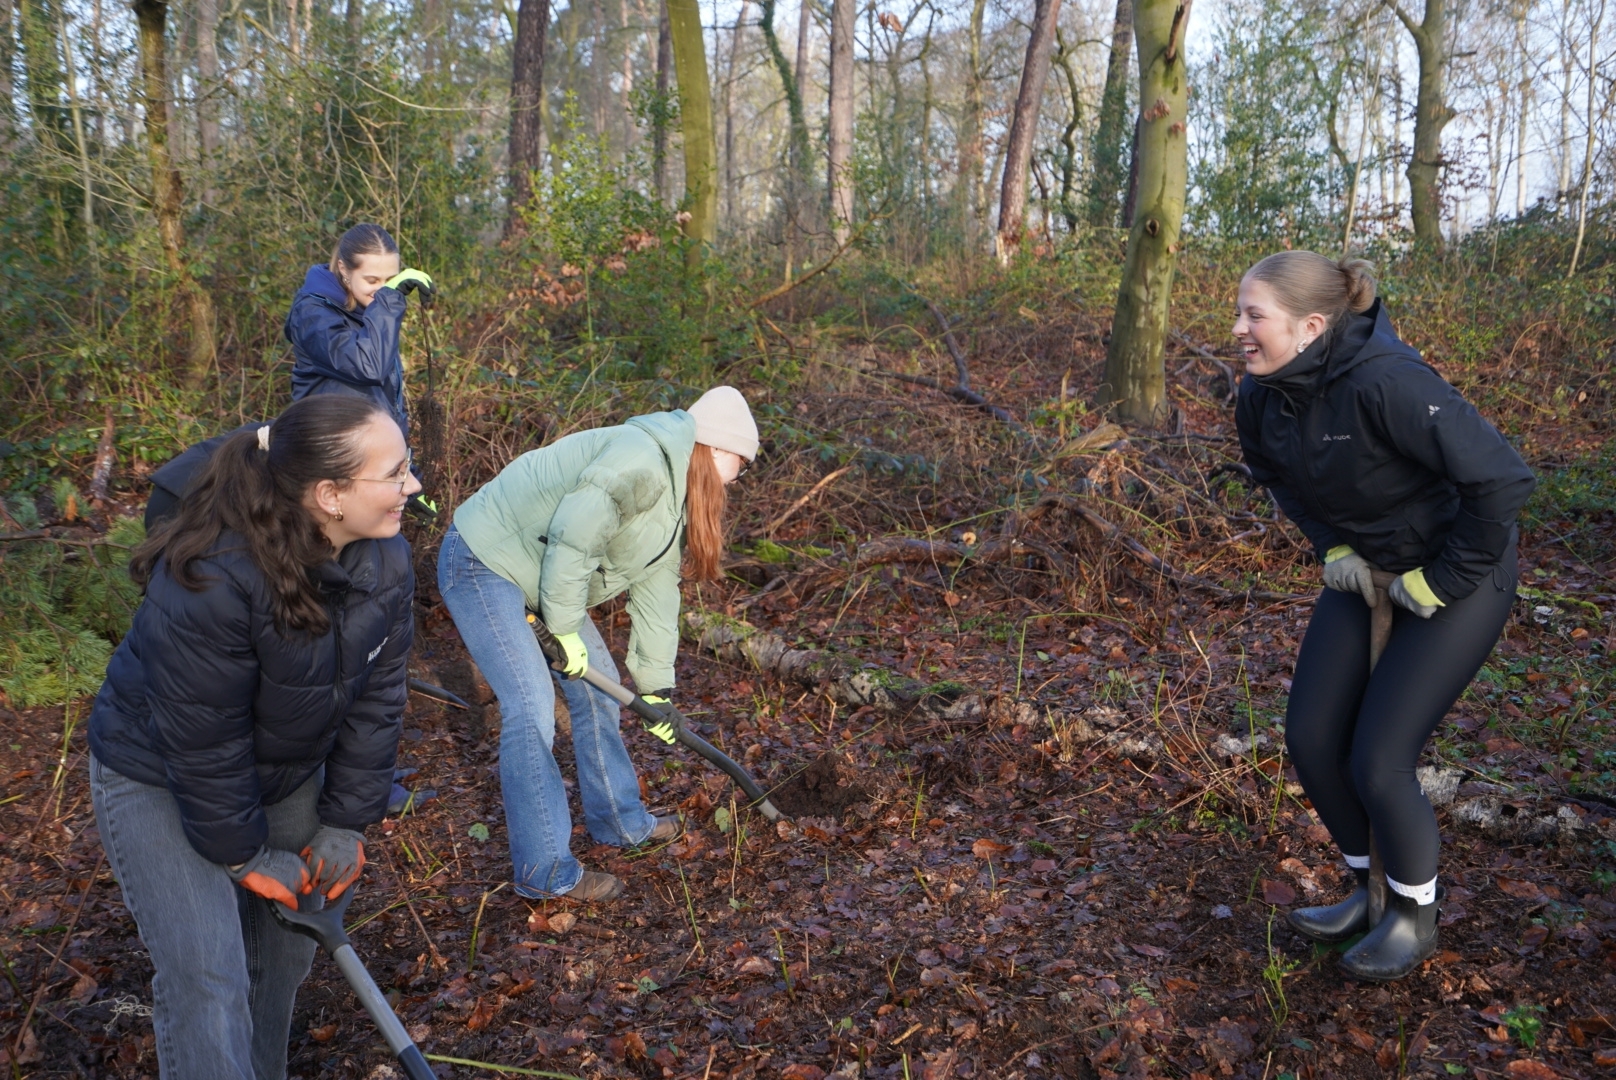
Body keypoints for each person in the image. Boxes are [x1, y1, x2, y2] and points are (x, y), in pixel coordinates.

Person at [88, 395, 419, 1079]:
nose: (412, 487)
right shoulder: (215, 576)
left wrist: (347, 821)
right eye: (395, 473)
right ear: (329, 495)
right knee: (209, 977)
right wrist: (243, 856)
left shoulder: (386, 563)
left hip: (281, 768)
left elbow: (377, 701)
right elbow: (204, 742)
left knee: (288, 952)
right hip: (157, 769)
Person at [1233, 252, 1534, 981]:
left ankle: (1411, 916)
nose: (1237, 329)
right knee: (1309, 736)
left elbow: (1502, 480)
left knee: (1379, 758)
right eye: (1238, 312)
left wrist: (1445, 576)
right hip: (1365, 568)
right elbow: (1276, 477)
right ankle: (1369, 889)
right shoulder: (1262, 395)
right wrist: (1331, 544)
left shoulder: (1386, 382)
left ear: (1310, 325)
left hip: (1460, 574)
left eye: (1253, 316)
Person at [438, 386, 758, 901]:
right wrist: (564, 629)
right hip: (482, 560)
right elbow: (574, 537)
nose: (740, 476)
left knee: (599, 694)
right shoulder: (642, 460)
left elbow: (658, 596)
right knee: (531, 707)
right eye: (743, 463)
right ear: (719, 449)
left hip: (540, 573)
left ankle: (620, 822)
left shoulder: (675, 497)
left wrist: (656, 690)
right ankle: (544, 872)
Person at [285, 223, 436, 513]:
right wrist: (389, 302)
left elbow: (382, 406)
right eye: (372, 280)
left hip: (367, 471)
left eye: (391, 280)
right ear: (343, 269)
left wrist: (405, 478)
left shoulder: (369, 316)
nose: (383, 290)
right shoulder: (313, 314)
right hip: (331, 473)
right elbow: (368, 367)